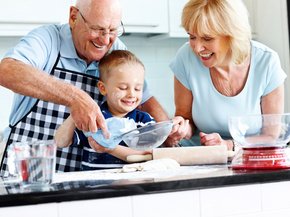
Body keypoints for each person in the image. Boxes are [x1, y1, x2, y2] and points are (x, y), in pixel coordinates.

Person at [0, 0, 168, 176]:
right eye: (97, 29)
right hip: (30, 168)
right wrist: (75, 97)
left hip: (82, 176)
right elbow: (6, 70)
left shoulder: (114, 48)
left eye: (112, 30)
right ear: (73, 17)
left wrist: (168, 132)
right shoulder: (48, 39)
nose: (105, 40)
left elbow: (144, 99)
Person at [167, 0, 287, 150]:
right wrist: (181, 129)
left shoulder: (267, 62)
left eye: (207, 38)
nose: (197, 48)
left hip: (252, 156)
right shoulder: (185, 57)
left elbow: (271, 135)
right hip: (201, 158)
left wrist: (229, 145)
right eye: (192, 37)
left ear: (233, 35)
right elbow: (186, 118)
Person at [55, 50, 155, 170]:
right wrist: (75, 112)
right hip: (93, 186)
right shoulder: (93, 119)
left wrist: (110, 148)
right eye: (123, 88)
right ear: (103, 88)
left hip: (131, 186)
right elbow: (60, 142)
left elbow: (148, 156)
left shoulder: (143, 121)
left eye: (138, 89)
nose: (131, 94)